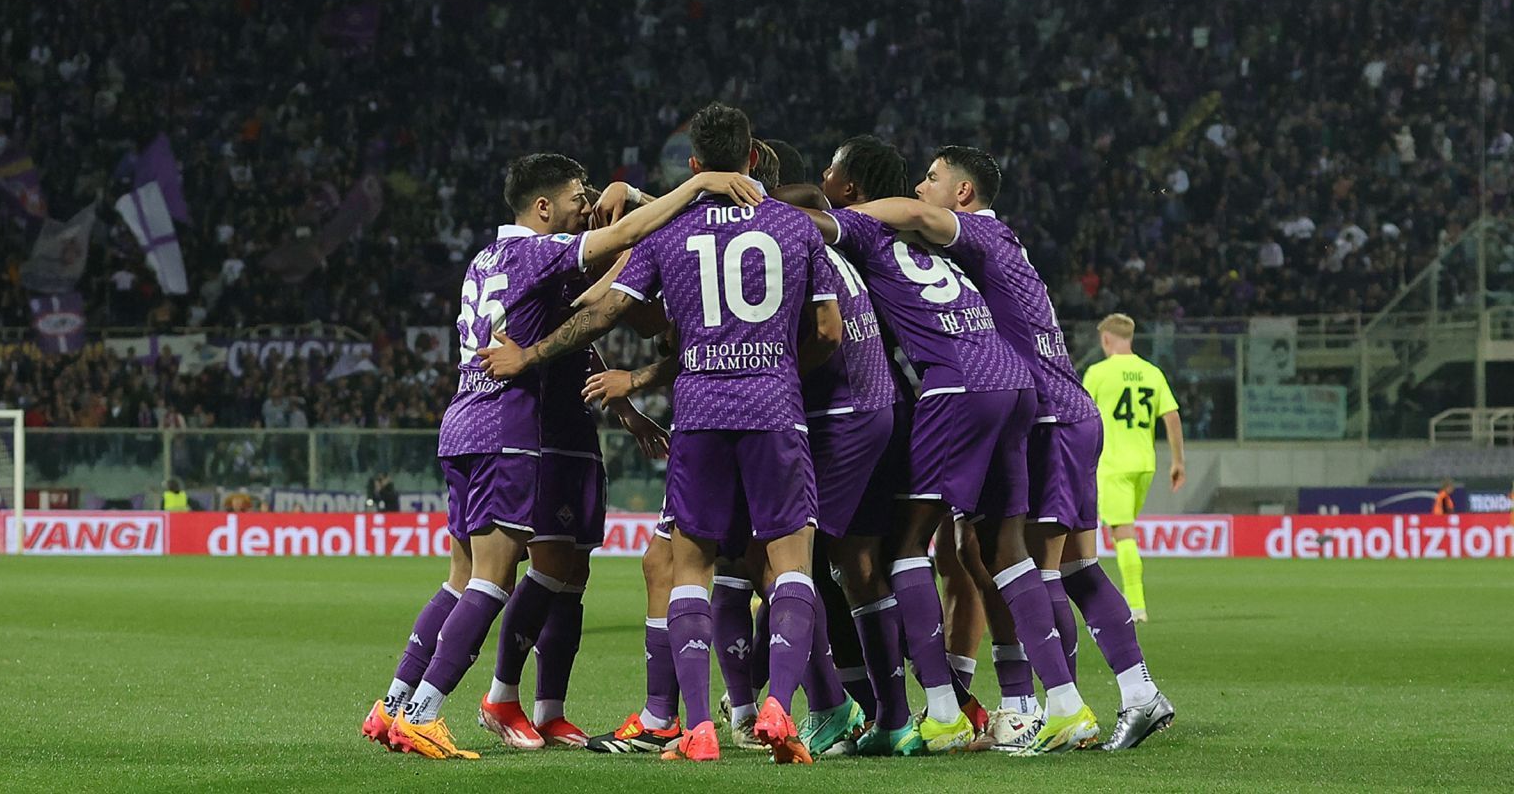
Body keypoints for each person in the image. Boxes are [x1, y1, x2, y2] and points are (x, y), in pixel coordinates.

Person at [365, 152, 759, 760]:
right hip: (512, 426)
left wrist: (626, 410)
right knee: (493, 579)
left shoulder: (487, 259)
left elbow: (581, 317)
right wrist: (700, 183)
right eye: (577, 195)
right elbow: (626, 237)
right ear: (543, 206)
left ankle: (394, 703)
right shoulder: (537, 252)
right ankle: (426, 710)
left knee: (471, 575)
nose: (586, 202)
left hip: (468, 419)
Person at [481, 103, 842, 764]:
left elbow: (601, 314)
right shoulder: (796, 229)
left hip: (699, 413)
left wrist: (530, 354)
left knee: (688, 568)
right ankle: (779, 711)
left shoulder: (670, 234)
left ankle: (695, 727)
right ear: (755, 159)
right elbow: (826, 333)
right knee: (790, 565)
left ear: (696, 165)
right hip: (774, 409)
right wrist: (779, 365)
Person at [852, 147, 1175, 751]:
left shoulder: (974, 229)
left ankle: (1054, 706)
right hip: (1064, 407)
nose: (923, 189)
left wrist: (854, 215)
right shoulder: (997, 243)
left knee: (1032, 567)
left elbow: (917, 219)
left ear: (964, 194)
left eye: (933, 179)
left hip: (1049, 414)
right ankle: (1133, 694)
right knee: (1071, 566)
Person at [791, 135, 1094, 754]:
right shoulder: (945, 240)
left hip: (955, 386)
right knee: (1001, 545)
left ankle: (943, 712)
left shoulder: (864, 233)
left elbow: (805, 223)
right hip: (1013, 382)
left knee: (905, 545)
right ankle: (1063, 704)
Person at [1081, 313, 1184, 624]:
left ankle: (1136, 604)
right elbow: (1172, 417)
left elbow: (1081, 415)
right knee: (1124, 530)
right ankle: (1132, 599)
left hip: (1113, 465)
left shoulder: (1098, 373)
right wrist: (1178, 461)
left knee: (1122, 533)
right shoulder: (1152, 373)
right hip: (1145, 465)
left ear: (1106, 339)